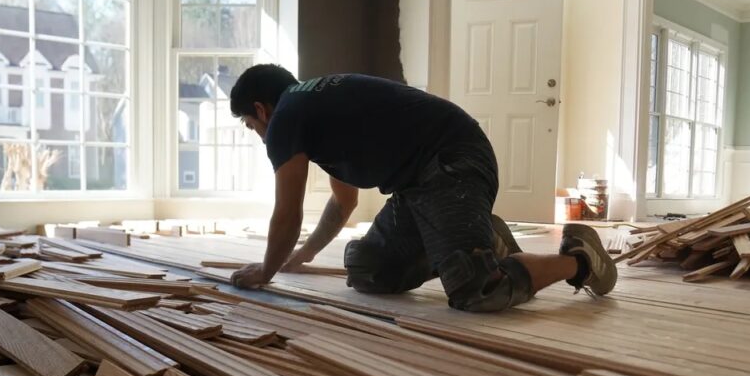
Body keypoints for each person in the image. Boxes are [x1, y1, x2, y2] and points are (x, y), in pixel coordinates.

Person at [227, 64, 617, 312]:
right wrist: (304, 254)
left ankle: (581, 258)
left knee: (476, 288)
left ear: (261, 110)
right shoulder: (317, 111)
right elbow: (344, 202)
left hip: (452, 163)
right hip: (417, 184)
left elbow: (287, 212)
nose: (260, 136)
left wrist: (266, 269)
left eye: (251, 125)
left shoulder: (286, 119)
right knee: (368, 269)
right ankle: (484, 240)